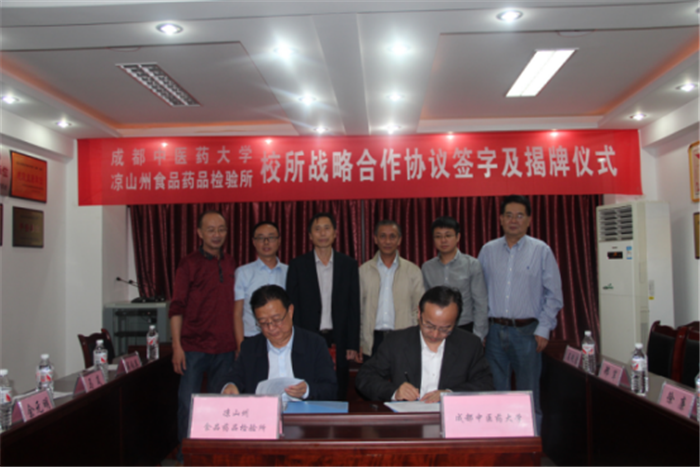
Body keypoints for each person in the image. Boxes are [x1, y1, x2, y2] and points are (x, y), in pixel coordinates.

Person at [478, 195, 563, 432]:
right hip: (494, 332)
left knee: (528, 395)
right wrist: (482, 330)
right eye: (508, 215)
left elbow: (554, 295)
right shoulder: (488, 250)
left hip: (527, 333)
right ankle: (501, 443)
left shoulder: (541, 250)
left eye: (519, 216)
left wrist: (544, 328)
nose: (513, 220)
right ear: (500, 219)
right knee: (496, 394)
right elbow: (479, 293)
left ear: (528, 220)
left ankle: (530, 446)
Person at [168, 210, 237, 463]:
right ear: (199, 233)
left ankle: (215, 456)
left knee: (221, 406)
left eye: (221, 229)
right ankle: (186, 457)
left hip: (225, 348)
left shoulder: (231, 263)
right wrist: (177, 346)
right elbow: (176, 307)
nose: (217, 234)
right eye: (211, 229)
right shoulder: (188, 264)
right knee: (188, 405)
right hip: (193, 348)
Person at [355, 286, 494, 402]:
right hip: (408, 420)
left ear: (455, 322)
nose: (435, 334)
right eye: (429, 325)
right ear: (419, 313)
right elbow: (365, 377)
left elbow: (485, 384)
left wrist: (450, 394)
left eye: (445, 329)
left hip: (450, 419)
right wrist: (395, 392)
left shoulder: (469, 345)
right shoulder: (396, 342)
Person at [286, 212, 360, 400]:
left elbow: (354, 306)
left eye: (327, 228)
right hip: (308, 337)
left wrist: (352, 343)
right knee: (309, 386)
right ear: (310, 236)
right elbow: (292, 307)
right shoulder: (298, 265)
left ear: (335, 233)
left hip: (339, 338)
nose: (322, 233)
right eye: (317, 229)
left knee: (339, 388)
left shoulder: (348, 265)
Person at [221, 285, 337, 400]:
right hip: (264, 411)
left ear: (290, 311)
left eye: (276, 320)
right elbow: (232, 378)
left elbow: (330, 388)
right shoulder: (250, 348)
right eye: (263, 323)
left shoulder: (314, 344)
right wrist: (230, 386)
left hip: (304, 411)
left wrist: (307, 390)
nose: (271, 328)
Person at [359, 220, 424, 361]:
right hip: (372, 340)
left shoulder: (413, 271)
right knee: (372, 375)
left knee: (402, 376)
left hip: (403, 339)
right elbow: (359, 310)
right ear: (375, 239)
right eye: (382, 236)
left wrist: (414, 337)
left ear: (399, 240)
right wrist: (360, 341)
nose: (387, 241)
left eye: (392, 236)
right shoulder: (363, 271)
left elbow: (419, 309)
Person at [421, 216, 488, 342]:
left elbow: (481, 303)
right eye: (438, 236)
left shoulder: (472, 265)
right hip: (436, 330)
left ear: (458, 237)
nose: (443, 240)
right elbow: (425, 302)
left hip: (464, 327)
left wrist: (478, 336)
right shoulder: (427, 267)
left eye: (448, 235)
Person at [234, 221, 288, 348]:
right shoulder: (243, 273)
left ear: (279, 241)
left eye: (271, 237)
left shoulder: (289, 272)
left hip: (283, 338)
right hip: (252, 337)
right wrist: (241, 346)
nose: (266, 242)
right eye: (261, 238)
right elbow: (237, 313)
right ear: (253, 242)